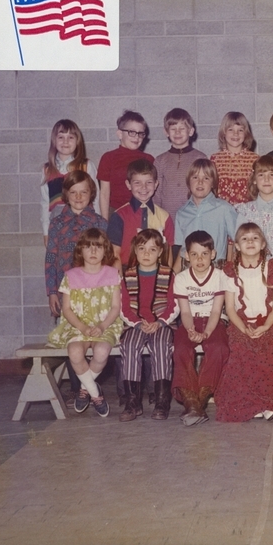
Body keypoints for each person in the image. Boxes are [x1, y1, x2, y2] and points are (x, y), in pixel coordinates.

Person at [215, 223, 273, 422]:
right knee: (243, 350)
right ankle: (251, 404)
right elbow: (230, 308)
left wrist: (265, 326)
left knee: (270, 350)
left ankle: (269, 402)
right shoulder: (230, 272)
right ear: (236, 246)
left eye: (255, 238)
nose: (250, 242)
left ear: (263, 244)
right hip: (241, 324)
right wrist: (244, 329)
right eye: (244, 239)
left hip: (267, 322)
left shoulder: (272, 269)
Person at [44, 171, 108, 407]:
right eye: (73, 192)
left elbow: (108, 259)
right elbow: (50, 258)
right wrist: (52, 291)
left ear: (91, 194)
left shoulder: (100, 223)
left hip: (95, 295)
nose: (79, 196)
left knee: (95, 337)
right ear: (66, 195)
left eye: (84, 191)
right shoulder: (57, 223)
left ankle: (88, 385)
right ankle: (77, 387)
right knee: (73, 338)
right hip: (67, 293)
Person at [47, 228, 123, 417]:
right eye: (88, 247)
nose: (93, 251)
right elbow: (67, 309)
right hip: (77, 325)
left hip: (104, 324)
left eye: (98, 247)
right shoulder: (71, 276)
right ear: (80, 251)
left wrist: (102, 326)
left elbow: (115, 307)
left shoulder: (113, 274)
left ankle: (84, 388)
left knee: (101, 351)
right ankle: (96, 394)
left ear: (106, 250)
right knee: (74, 351)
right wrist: (82, 327)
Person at [118, 229, 178, 422]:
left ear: (160, 252)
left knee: (161, 346)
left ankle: (162, 401)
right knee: (129, 345)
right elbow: (123, 307)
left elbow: (174, 304)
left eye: (152, 249)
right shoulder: (127, 276)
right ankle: (132, 402)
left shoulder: (169, 275)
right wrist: (136, 324)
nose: (146, 254)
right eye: (142, 248)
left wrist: (160, 322)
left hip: (161, 324)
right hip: (136, 324)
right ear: (135, 250)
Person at [172, 230, 231, 426]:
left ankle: (198, 401)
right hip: (190, 321)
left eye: (204, 254)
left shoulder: (220, 276)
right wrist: (191, 330)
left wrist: (206, 332)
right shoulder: (181, 278)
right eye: (194, 254)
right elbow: (185, 312)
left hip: (214, 321)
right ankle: (191, 401)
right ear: (186, 256)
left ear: (213, 254)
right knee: (180, 348)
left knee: (219, 348)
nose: (199, 259)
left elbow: (216, 311)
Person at [107, 159, 175, 269]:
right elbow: (115, 254)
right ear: (128, 185)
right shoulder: (119, 216)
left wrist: (166, 278)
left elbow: (168, 254)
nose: (144, 187)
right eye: (137, 183)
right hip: (126, 271)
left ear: (156, 184)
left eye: (149, 182)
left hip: (156, 273)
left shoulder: (165, 217)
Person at [41, 119, 100, 244]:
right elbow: (45, 204)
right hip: (58, 226)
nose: (65, 142)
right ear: (54, 140)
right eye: (61, 137)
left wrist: (97, 229)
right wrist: (46, 232)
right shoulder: (47, 170)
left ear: (77, 141)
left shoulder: (86, 166)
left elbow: (96, 199)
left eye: (70, 137)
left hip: (84, 223)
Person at [173, 159, 237, 270]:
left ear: (213, 183)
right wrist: (173, 275)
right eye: (195, 177)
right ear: (188, 182)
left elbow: (240, 239)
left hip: (216, 269)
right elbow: (182, 249)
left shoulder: (224, 209)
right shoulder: (182, 213)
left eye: (206, 178)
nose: (200, 182)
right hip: (188, 270)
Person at [152, 108, 208, 221]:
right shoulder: (160, 160)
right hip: (166, 217)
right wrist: (157, 216)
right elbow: (156, 193)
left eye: (182, 128)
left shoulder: (200, 158)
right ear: (166, 132)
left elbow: (205, 189)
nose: (177, 132)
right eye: (173, 129)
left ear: (191, 131)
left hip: (193, 215)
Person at [97, 110, 154, 218]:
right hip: (115, 211)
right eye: (131, 132)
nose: (136, 137)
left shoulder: (149, 159)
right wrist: (105, 221)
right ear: (119, 134)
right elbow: (104, 194)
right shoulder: (108, 158)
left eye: (140, 133)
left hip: (142, 211)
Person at [210, 111, 259, 205]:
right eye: (230, 130)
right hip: (222, 212)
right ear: (224, 133)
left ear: (246, 133)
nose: (235, 134)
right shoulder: (215, 159)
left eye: (240, 130)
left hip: (247, 212)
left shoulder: (255, 159)